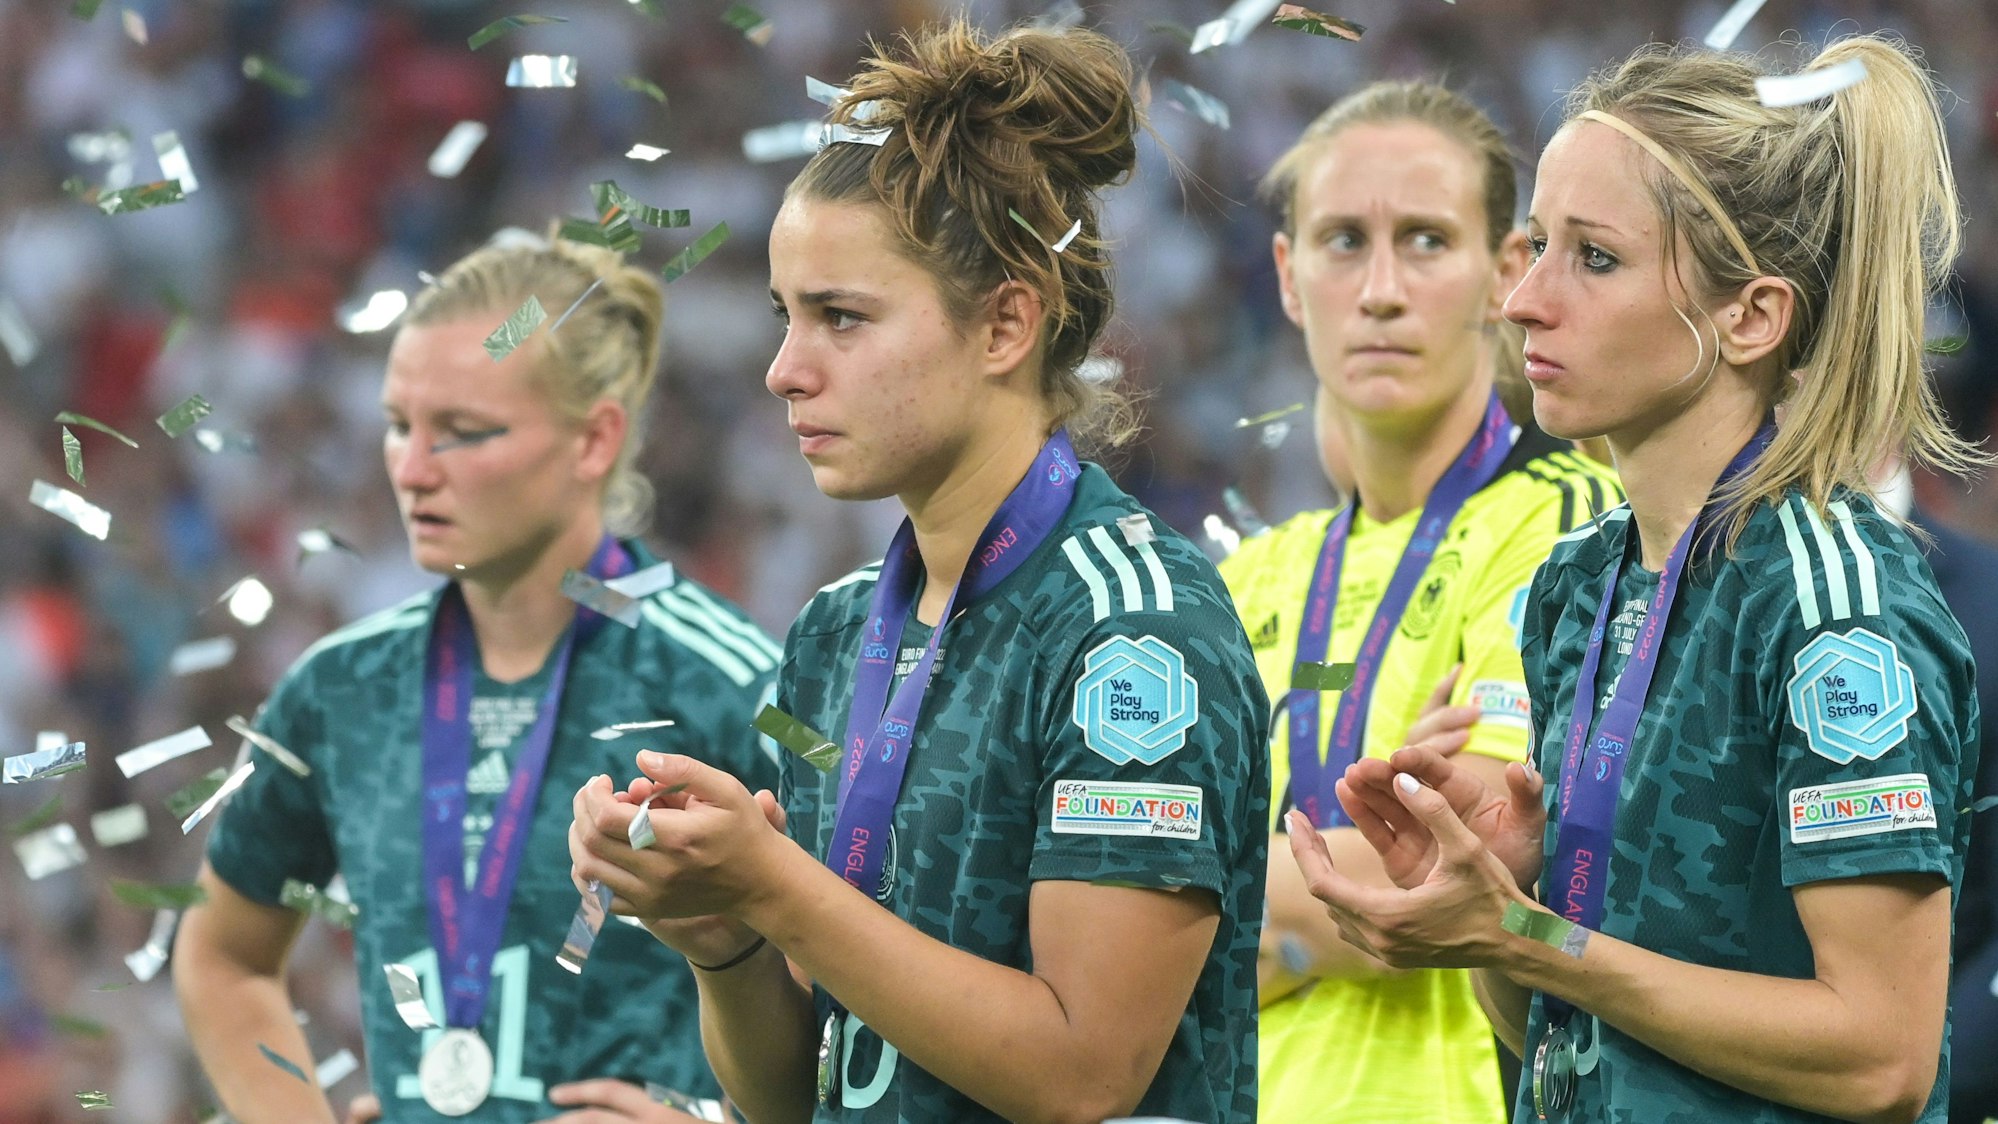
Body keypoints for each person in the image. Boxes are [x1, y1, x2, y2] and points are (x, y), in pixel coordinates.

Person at [568, 19, 1269, 1124]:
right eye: (785, 316)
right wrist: (727, 938)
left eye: (842, 317)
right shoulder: (836, 632)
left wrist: (775, 882)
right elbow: (796, 1097)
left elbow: (1083, 1071)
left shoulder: (1133, 630)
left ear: (1003, 324)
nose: (784, 369)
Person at [1289, 35, 1983, 1124]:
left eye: (1593, 258)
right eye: (1538, 250)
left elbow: (1882, 1056)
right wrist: (1499, 898)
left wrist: (1536, 938)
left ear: (1748, 317)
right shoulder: (1577, 585)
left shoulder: (1835, 605)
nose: (1522, 303)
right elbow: (1557, 1039)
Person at [173, 231, 782, 1123]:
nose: (413, 470)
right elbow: (221, 953)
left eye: (463, 433)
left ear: (593, 440)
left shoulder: (728, 680)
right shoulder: (340, 688)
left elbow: (857, 1015)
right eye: (397, 426)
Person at [1223, 80, 1622, 1122]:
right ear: (1289, 276)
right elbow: (1095, 905)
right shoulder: (1239, 580)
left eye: (1428, 241)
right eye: (1344, 240)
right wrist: (1362, 855)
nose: (1382, 289)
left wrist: (1193, 883)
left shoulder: (1574, 522)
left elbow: (1473, 852)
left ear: (1504, 272)